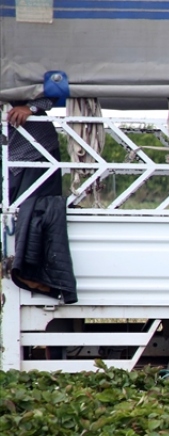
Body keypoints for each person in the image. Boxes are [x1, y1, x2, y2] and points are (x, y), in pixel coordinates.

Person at [5, 96, 77, 304]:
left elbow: (55, 91)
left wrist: (30, 108)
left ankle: (34, 271)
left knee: (35, 212)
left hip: (38, 154)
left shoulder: (20, 72)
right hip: (11, 159)